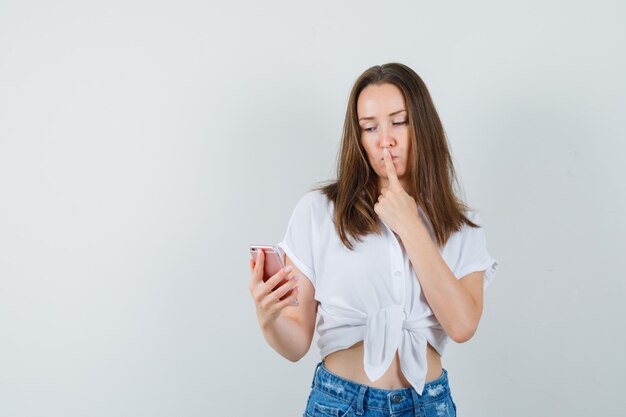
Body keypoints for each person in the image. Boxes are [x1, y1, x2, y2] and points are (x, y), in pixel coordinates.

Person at [248, 63, 499, 417]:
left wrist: (410, 225)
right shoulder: (319, 212)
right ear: (359, 137)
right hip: (340, 403)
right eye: (370, 127)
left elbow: (462, 325)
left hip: (427, 404)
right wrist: (268, 317)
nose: (385, 140)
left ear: (422, 126)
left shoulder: (463, 224)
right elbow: (295, 345)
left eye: (399, 121)